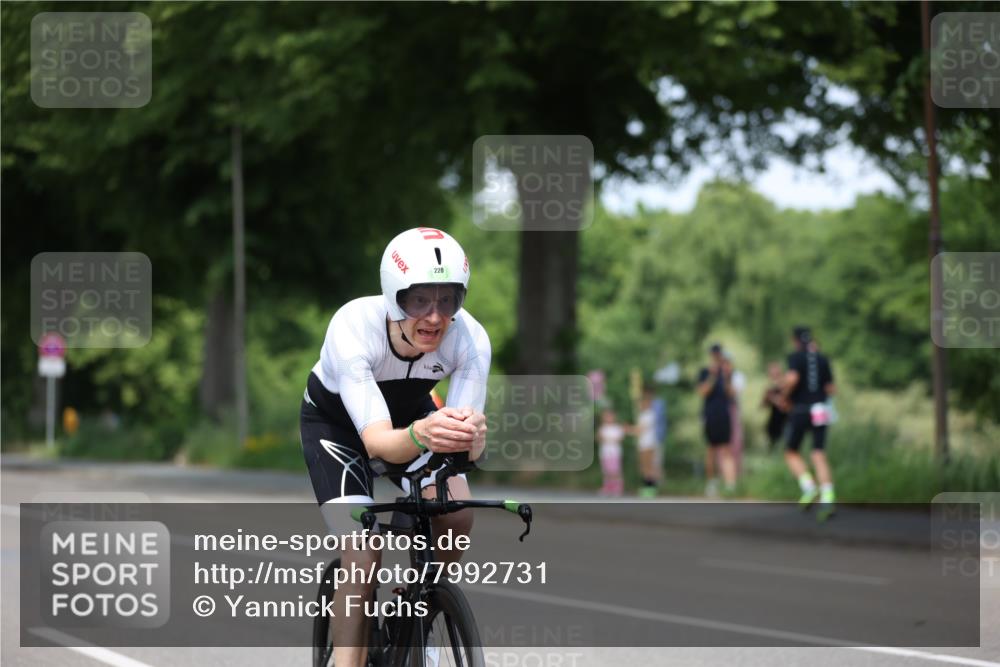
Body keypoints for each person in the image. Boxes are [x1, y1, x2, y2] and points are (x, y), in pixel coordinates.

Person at [299, 227, 490, 667]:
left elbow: (459, 450)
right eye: (418, 299)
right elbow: (378, 443)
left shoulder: (472, 338)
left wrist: (472, 441)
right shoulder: (352, 326)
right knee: (363, 551)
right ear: (391, 297)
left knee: (457, 512)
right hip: (339, 428)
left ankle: (417, 606)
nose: (435, 317)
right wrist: (425, 433)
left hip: (410, 419)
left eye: (448, 299)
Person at [779, 326, 837, 521]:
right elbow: (830, 388)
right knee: (818, 453)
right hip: (820, 409)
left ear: (795, 340)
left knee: (791, 451)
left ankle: (809, 488)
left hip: (802, 409)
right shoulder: (822, 358)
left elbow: (792, 378)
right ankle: (827, 497)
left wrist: (784, 396)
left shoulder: (795, 357)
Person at [697, 344, 737, 495]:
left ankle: (730, 485)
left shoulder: (727, 373)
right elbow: (703, 392)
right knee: (711, 449)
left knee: (727, 449)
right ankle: (711, 483)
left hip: (724, 415)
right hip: (710, 415)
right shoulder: (705, 372)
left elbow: (731, 394)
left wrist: (726, 377)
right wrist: (712, 376)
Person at [633, 390, 662, 498]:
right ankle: (646, 486)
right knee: (643, 466)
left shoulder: (650, 415)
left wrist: (628, 429)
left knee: (649, 466)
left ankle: (651, 488)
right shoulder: (642, 415)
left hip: (649, 444)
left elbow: (640, 429)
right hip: (642, 444)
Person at [597, 408, 626, 497]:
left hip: (614, 453)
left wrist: (610, 439)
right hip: (605, 453)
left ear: (614, 417)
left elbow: (620, 438)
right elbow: (599, 438)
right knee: (606, 471)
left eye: (610, 416)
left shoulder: (617, 428)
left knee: (615, 471)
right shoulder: (602, 428)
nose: (608, 418)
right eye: (606, 416)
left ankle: (617, 488)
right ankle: (608, 487)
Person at [761, 361, 788, 452]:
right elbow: (763, 405)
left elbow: (784, 404)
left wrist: (773, 398)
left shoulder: (786, 384)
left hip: (785, 419)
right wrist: (767, 397)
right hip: (774, 418)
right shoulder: (770, 387)